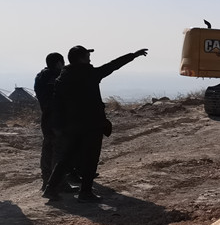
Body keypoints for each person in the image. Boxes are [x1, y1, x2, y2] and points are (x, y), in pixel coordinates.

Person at [42, 45, 148, 202]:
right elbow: (112, 65)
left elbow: (57, 105)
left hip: (70, 126)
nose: (90, 59)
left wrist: (57, 126)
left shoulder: (62, 78)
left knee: (66, 158)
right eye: (87, 56)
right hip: (91, 124)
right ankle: (85, 193)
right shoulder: (90, 74)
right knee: (90, 159)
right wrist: (133, 55)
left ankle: (50, 189)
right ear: (81, 59)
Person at [34, 52, 69, 190]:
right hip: (57, 118)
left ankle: (47, 181)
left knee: (48, 150)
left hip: (47, 118)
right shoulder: (57, 77)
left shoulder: (40, 76)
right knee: (59, 151)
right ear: (59, 63)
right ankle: (58, 183)